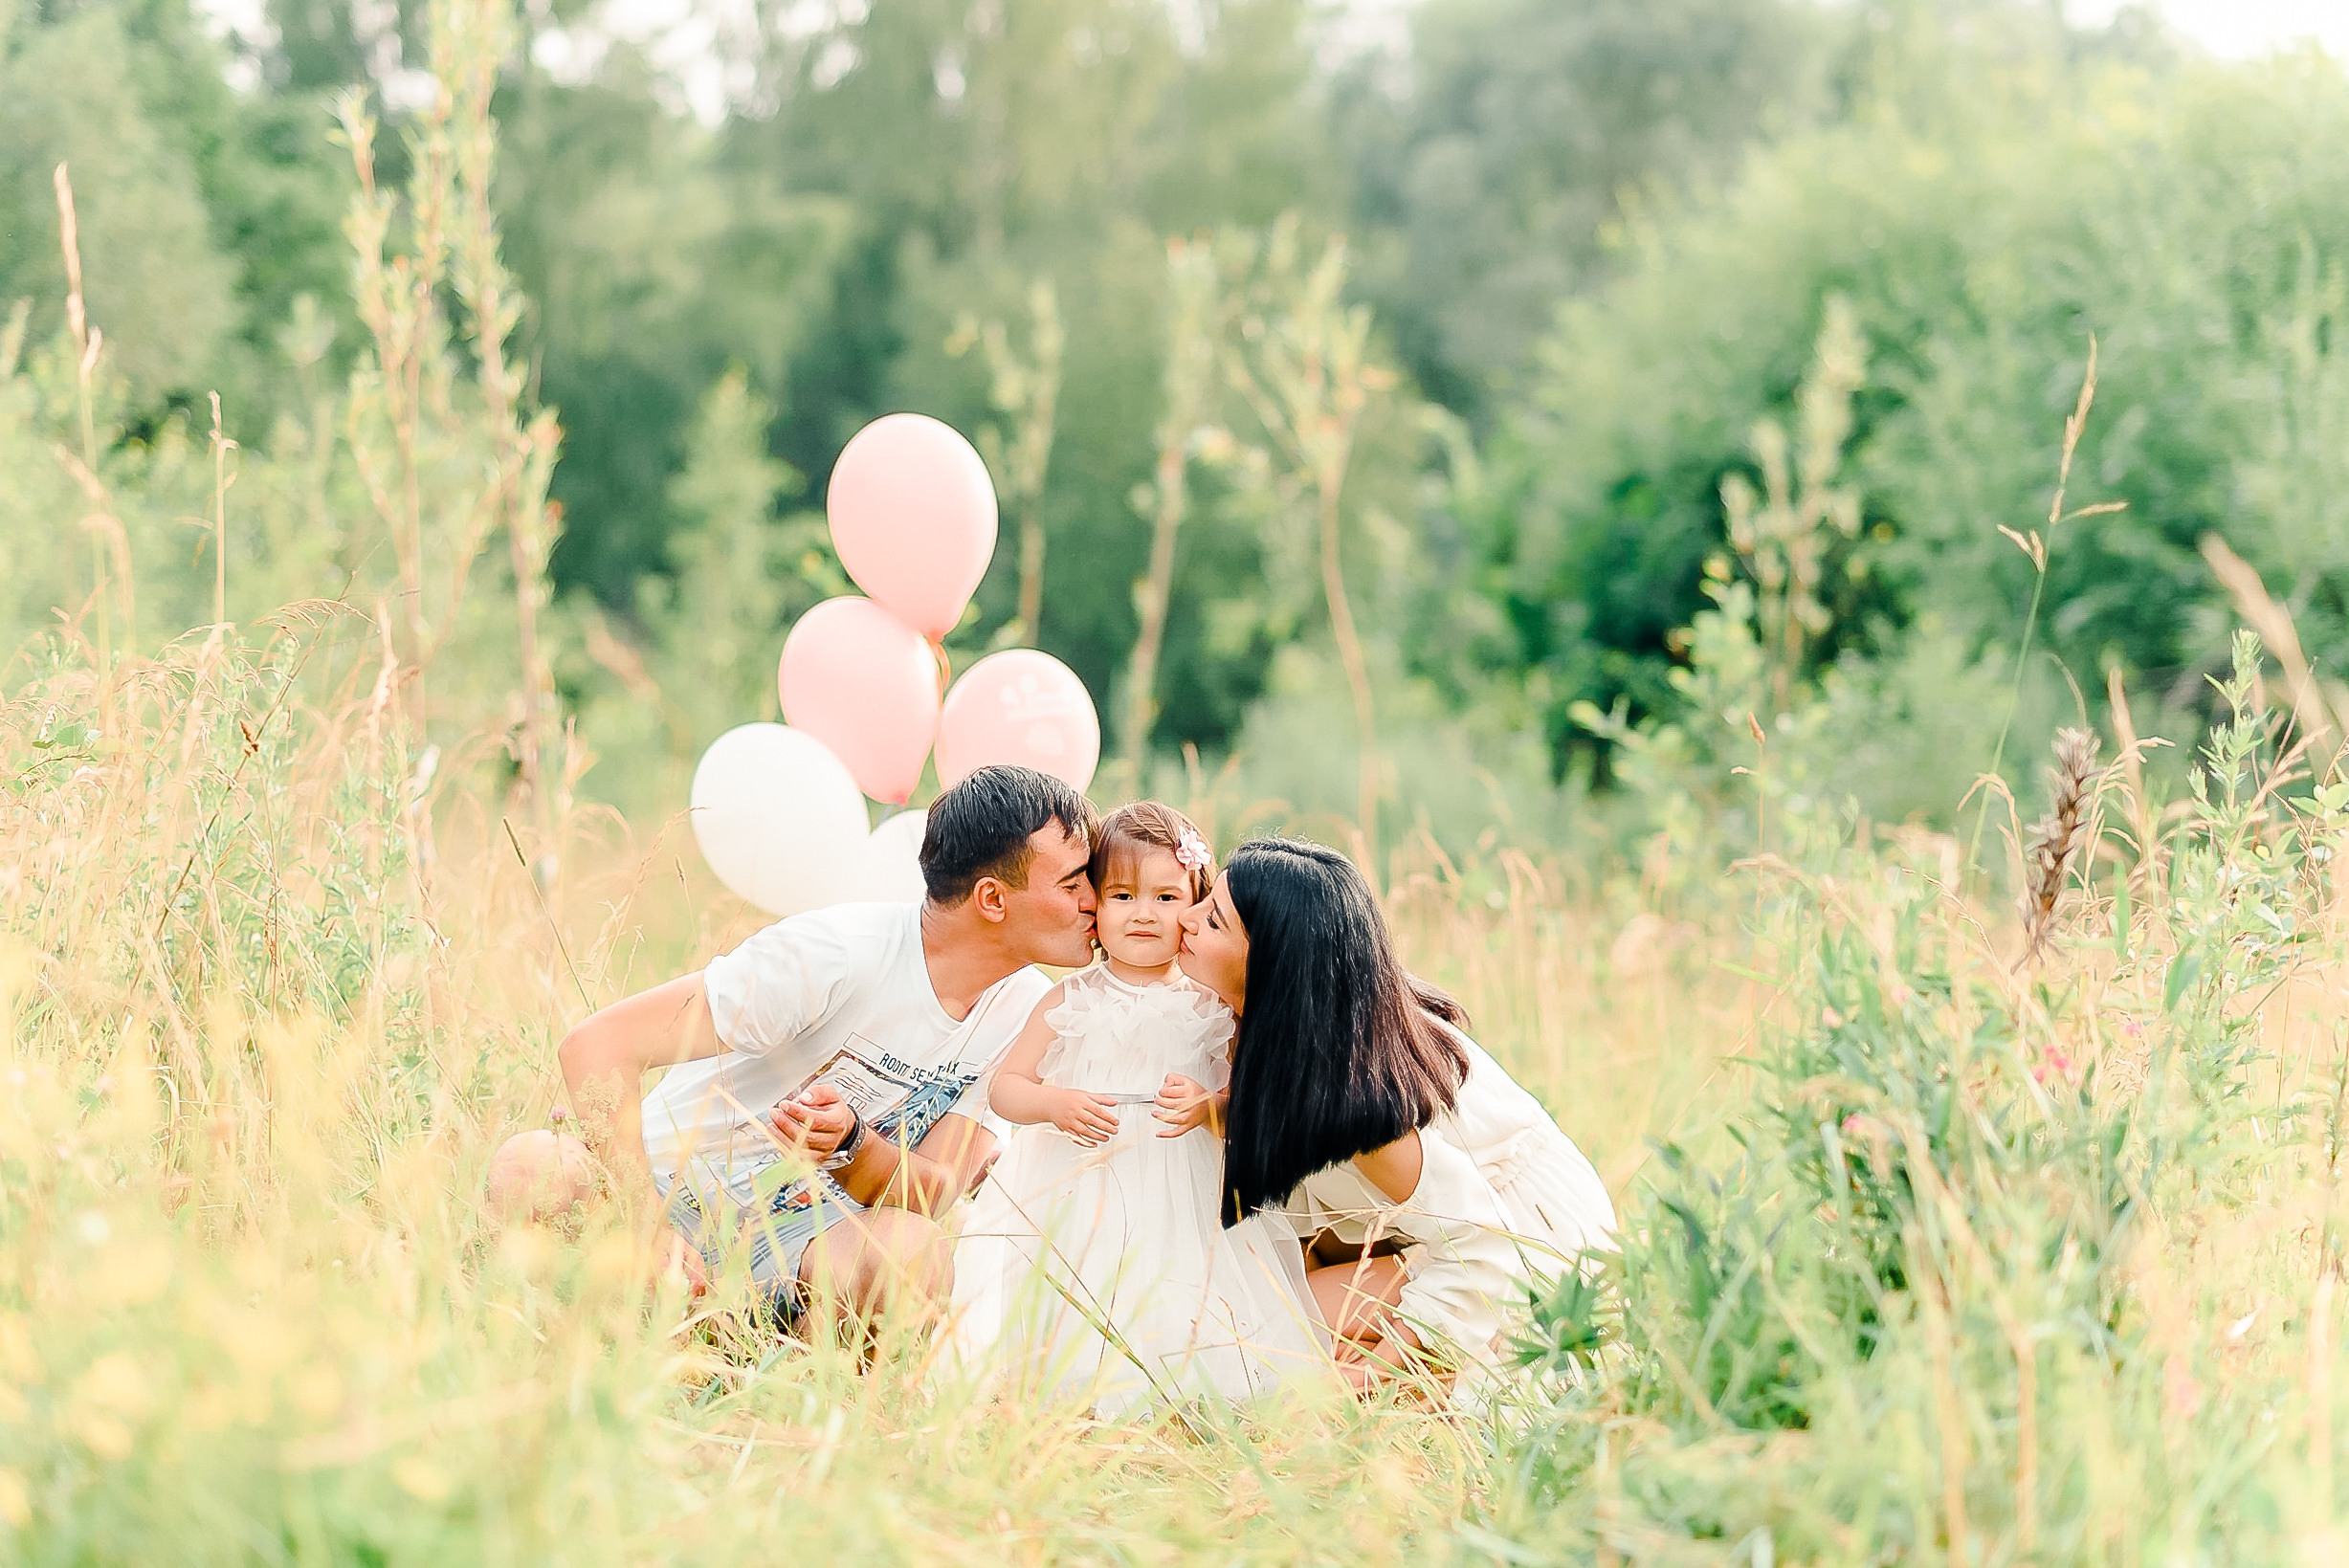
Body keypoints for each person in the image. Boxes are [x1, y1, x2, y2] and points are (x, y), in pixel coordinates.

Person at [485, 765, 1100, 1341]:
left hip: (801, 1243)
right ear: (993, 900)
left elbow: (937, 1192)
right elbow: (597, 1046)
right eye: (1074, 885)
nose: (1094, 902)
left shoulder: (1027, 1012)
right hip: (668, 1195)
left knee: (913, 1253)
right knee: (531, 1167)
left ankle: (766, 1373)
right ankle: (614, 1318)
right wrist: (646, 1228)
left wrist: (854, 1146)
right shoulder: (837, 953)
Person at [1173, 838, 1615, 1394]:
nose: (1184, 919)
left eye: (1213, 922)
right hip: (1421, 1240)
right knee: (1241, 1318)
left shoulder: (1346, 1092)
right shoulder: (1265, 1028)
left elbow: (1484, 1251)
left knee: (1265, 1341)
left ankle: (1411, 1379)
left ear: (1272, 966)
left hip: (1520, 1247)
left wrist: (1364, 1377)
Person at [944, 804, 1324, 1414]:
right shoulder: (1068, 999)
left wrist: (1209, 1106)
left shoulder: (1212, 1006)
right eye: (1122, 895)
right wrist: (1052, 1102)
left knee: (1176, 1284)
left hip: (1185, 1185)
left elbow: (1253, 1102)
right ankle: (1068, 1394)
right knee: (1076, 1281)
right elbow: (1005, 1088)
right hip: (1074, 1179)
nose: (1144, 914)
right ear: (1095, 903)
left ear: (1198, 907)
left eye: (1167, 897)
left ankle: (1174, 1394)